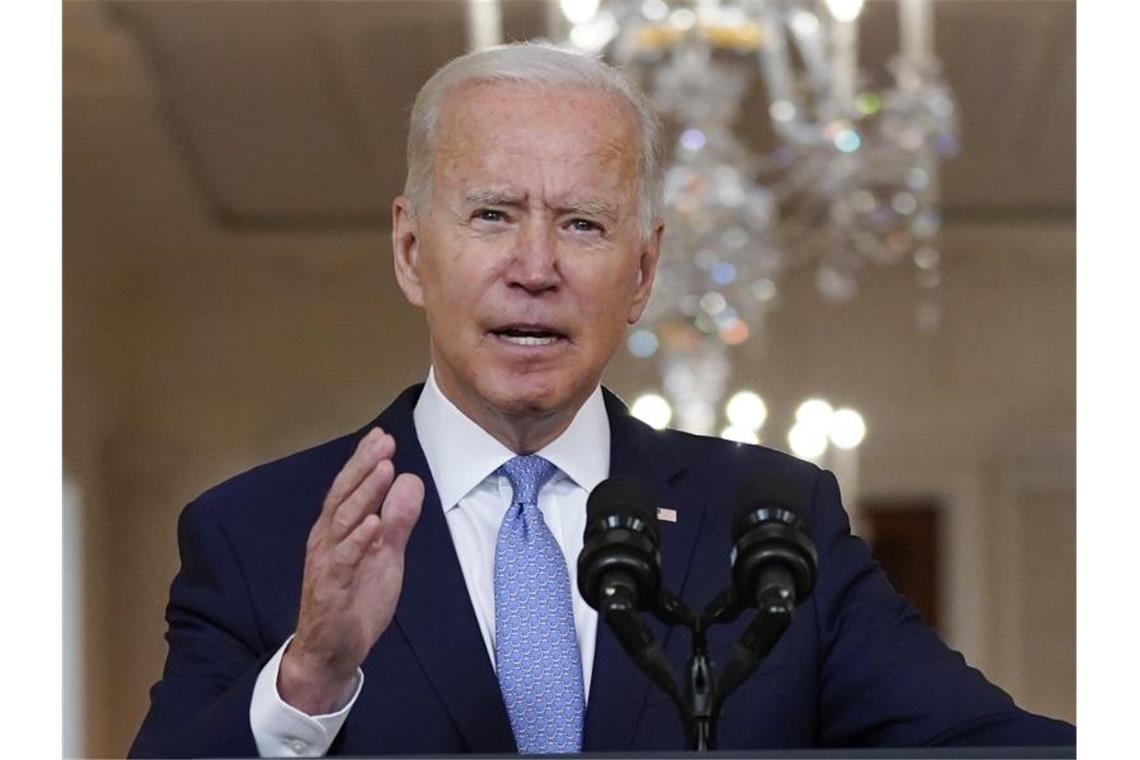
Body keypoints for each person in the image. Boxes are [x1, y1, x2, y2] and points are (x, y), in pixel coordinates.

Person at [129, 43, 1075, 758]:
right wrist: (307, 681)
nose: (535, 269)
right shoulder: (256, 534)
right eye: (493, 214)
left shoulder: (773, 522)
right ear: (413, 251)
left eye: (583, 225)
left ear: (643, 272)